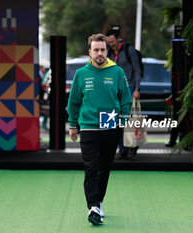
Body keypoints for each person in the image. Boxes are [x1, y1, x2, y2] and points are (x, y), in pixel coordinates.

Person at [67, 33, 132, 225]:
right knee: (91, 167)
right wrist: (73, 124)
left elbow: (126, 100)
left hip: (110, 125)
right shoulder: (81, 74)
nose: (100, 53)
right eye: (96, 50)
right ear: (90, 52)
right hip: (88, 127)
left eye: (103, 49)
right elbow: (74, 102)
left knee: (104, 168)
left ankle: (99, 202)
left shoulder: (117, 72)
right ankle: (93, 206)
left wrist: (123, 120)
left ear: (107, 51)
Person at [106, 27, 142, 159]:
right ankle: (122, 148)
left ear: (118, 39)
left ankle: (131, 146)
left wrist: (137, 89)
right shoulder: (109, 53)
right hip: (114, 90)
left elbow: (137, 69)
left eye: (113, 41)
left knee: (128, 120)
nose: (111, 44)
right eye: (109, 42)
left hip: (129, 88)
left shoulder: (128, 50)